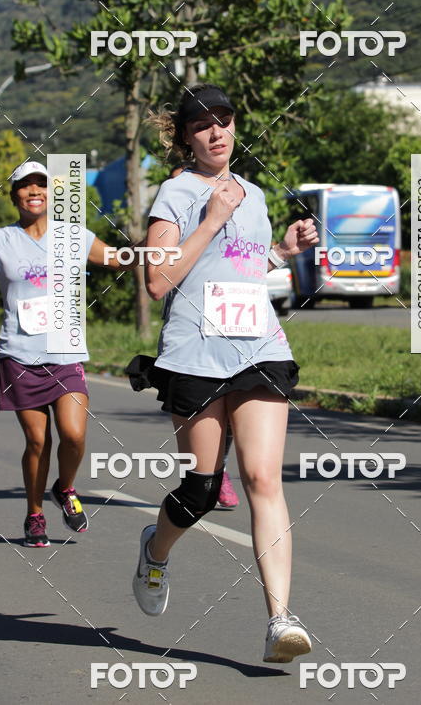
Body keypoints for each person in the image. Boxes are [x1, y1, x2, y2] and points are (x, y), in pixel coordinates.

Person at [126, 84, 319, 662]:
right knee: (202, 490)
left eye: (224, 120)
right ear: (186, 136)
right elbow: (158, 280)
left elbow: (240, 266)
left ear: (235, 126)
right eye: (203, 124)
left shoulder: (253, 194)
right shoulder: (175, 195)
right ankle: (156, 551)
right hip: (195, 353)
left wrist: (281, 251)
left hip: (257, 346)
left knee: (263, 478)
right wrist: (209, 220)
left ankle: (280, 620)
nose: (216, 132)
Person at [0, 160, 139, 547]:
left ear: (52, 194)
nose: (33, 191)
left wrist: (165, 251)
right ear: (14, 194)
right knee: (37, 442)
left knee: (73, 433)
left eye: (41, 185)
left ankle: (64, 488)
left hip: (65, 352)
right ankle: (34, 514)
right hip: (19, 356)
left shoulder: (74, 236)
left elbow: (119, 258)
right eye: (25, 185)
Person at [168, 163, 239, 511]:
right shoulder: (173, 220)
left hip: (235, 332)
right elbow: (157, 274)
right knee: (204, 413)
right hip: (190, 335)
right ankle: (203, 476)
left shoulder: (228, 213)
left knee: (236, 413)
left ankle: (217, 468)